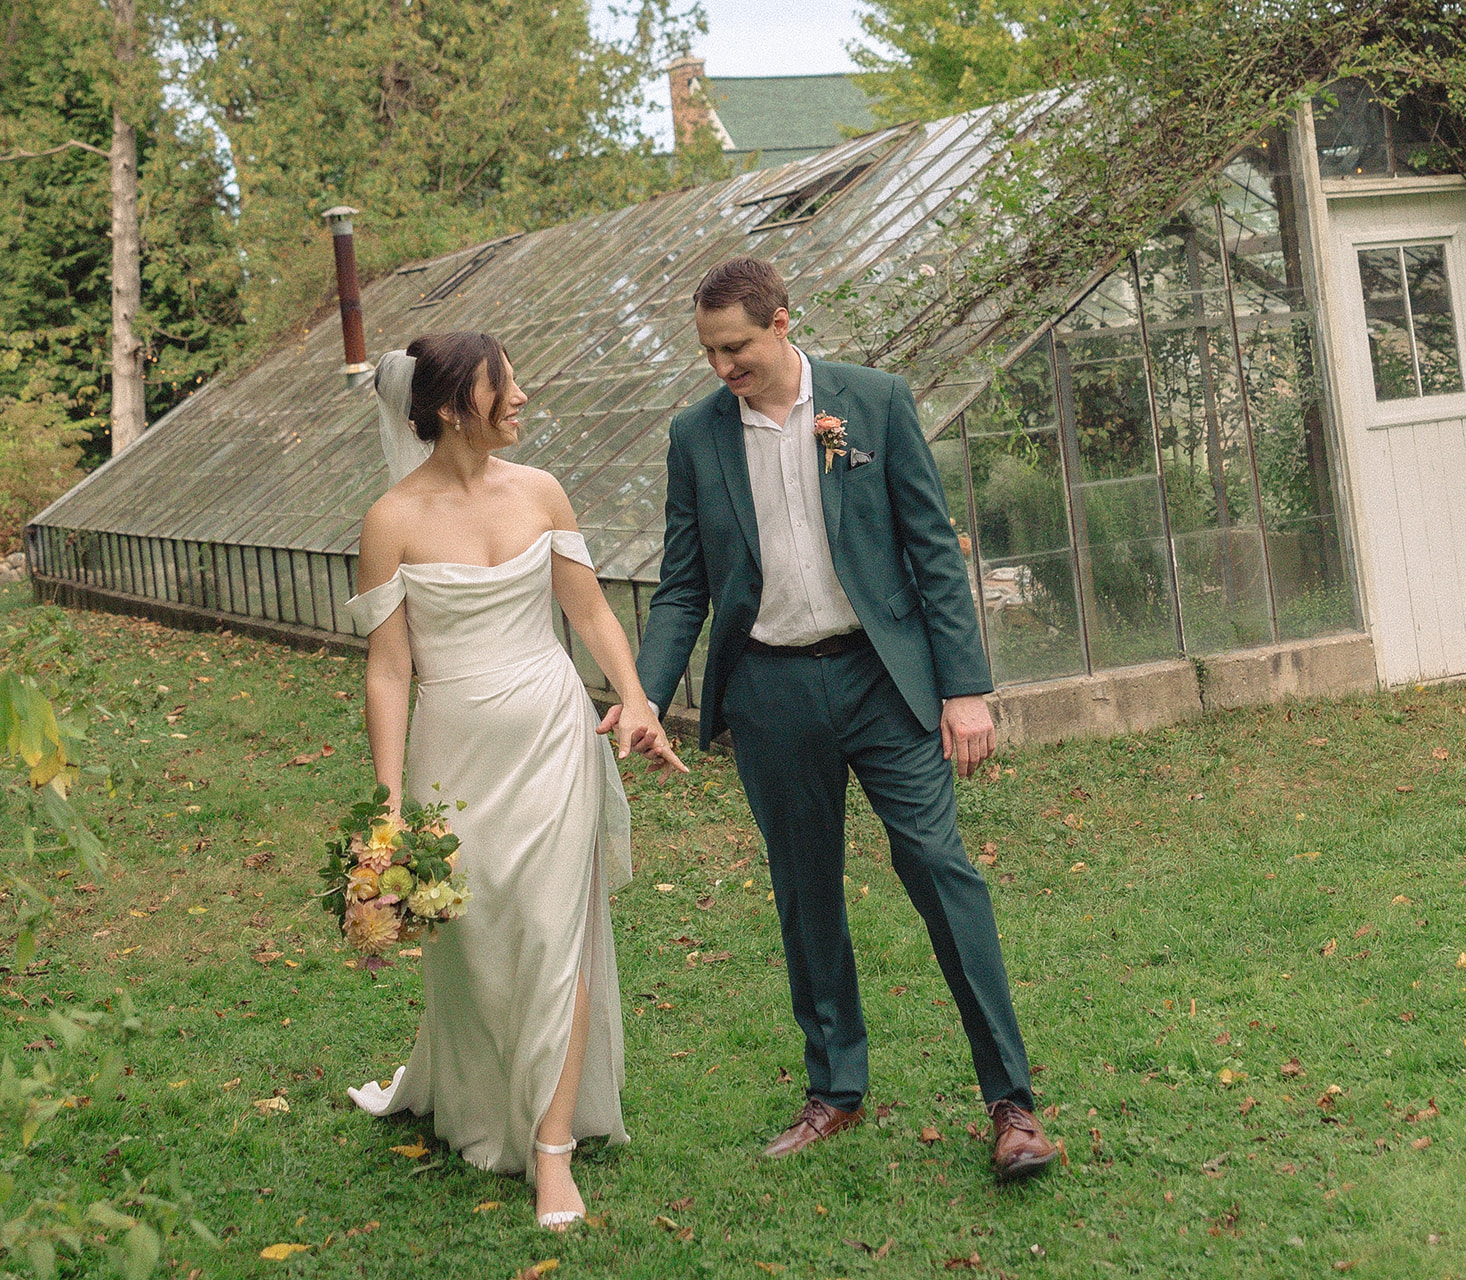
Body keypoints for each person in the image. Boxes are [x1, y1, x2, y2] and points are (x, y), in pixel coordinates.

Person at [634, 258, 1056, 1182]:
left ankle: (1012, 1102)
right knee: (805, 889)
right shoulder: (695, 436)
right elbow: (683, 586)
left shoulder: (875, 401)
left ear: (783, 323)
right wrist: (642, 694)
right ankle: (836, 1091)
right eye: (708, 353)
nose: (722, 369)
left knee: (939, 868)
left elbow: (932, 553)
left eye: (736, 347)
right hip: (770, 691)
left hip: (882, 678)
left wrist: (964, 687)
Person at [344, 332, 685, 1231]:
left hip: (551, 737)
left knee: (552, 929)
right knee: (481, 938)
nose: (525, 396)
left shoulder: (541, 493)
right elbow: (388, 669)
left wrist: (638, 698)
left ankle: (553, 1150)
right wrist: (387, 807)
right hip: (454, 758)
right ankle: (488, 1096)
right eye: (507, 384)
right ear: (455, 404)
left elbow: (590, 609)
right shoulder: (393, 520)